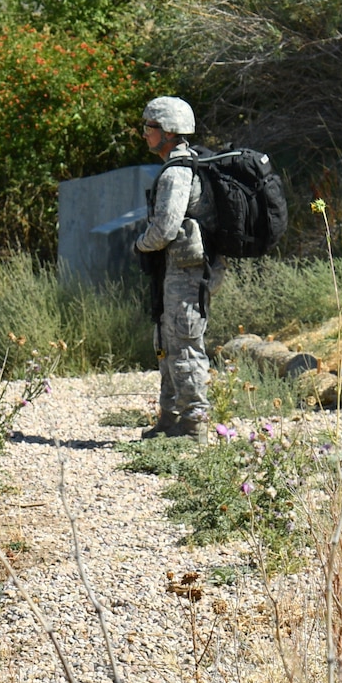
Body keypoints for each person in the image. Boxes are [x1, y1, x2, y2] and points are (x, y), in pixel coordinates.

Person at [133, 96, 219, 441]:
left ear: (168, 132)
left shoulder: (177, 173)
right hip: (180, 271)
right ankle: (170, 418)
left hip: (187, 273)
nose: (145, 135)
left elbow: (165, 228)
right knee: (167, 341)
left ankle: (194, 423)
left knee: (183, 342)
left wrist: (140, 244)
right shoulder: (183, 166)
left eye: (149, 128)